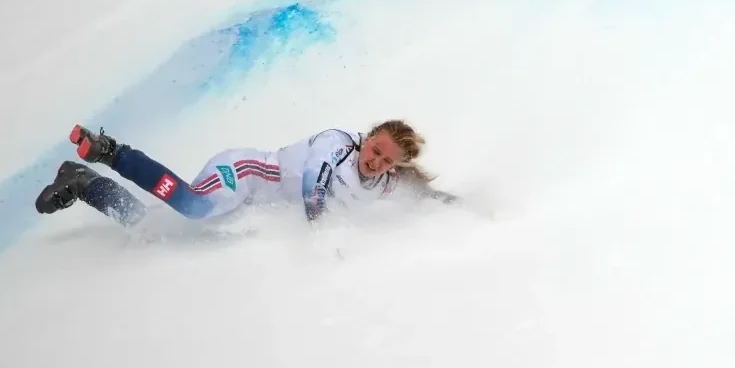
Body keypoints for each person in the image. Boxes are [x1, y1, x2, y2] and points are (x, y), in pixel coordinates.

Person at [34, 119, 457, 228]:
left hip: (253, 207)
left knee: (157, 230)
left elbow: (420, 197)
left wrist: (462, 208)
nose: (376, 162)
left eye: (387, 161)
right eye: (376, 150)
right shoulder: (338, 143)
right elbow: (314, 183)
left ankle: (85, 183)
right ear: (370, 136)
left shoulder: (385, 182)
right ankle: (112, 152)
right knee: (193, 207)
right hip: (245, 174)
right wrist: (321, 233)